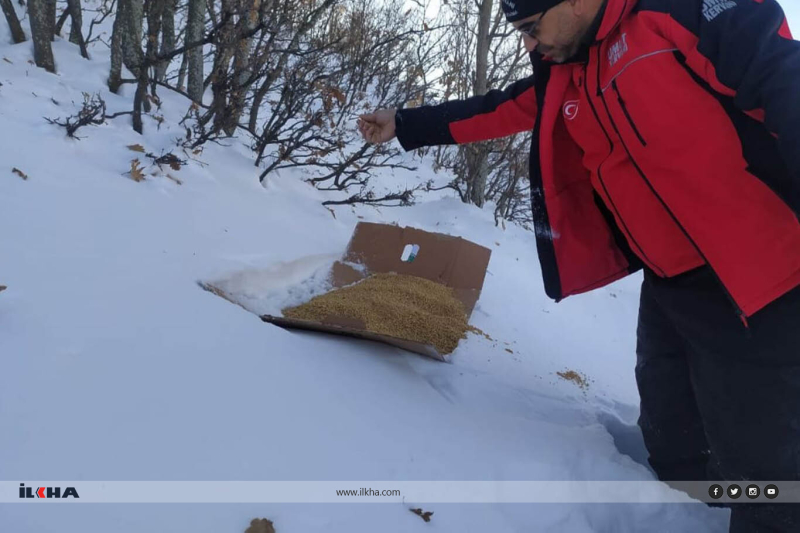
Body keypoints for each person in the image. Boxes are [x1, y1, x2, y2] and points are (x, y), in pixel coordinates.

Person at [357, 0, 800, 531]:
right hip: (669, 283)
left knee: (767, 469)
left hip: (761, 282)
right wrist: (405, 124)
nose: (528, 44)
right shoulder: (571, 66)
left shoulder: (680, 12)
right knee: (674, 439)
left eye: (530, 27)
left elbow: (786, 79)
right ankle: (688, 515)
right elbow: (501, 108)